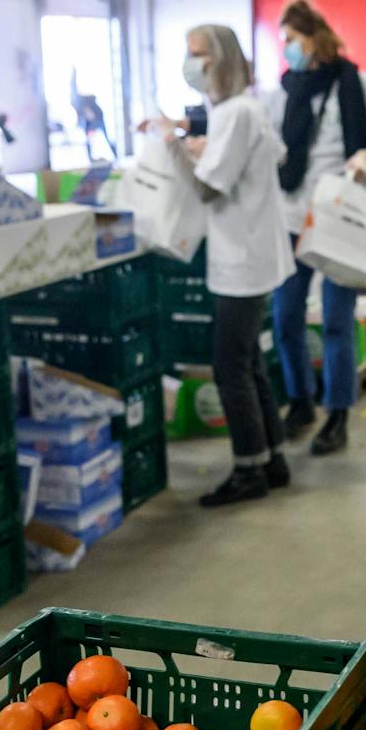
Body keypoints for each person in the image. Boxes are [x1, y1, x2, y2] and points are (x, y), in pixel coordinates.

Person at [143, 26, 295, 506]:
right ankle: (272, 459)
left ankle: (249, 469)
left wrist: (171, 143)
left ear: (220, 59)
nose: (191, 64)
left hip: (242, 258)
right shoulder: (246, 110)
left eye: (197, 55)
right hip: (257, 252)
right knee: (249, 364)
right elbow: (265, 158)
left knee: (230, 368)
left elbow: (210, 188)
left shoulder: (233, 113)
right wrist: (197, 145)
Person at [272, 0, 366, 455]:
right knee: (285, 317)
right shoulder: (285, 90)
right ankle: (301, 401)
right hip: (292, 217)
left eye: (292, 39)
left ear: (314, 36)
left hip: (339, 217)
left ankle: (338, 414)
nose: (286, 48)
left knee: (335, 321)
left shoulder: (356, 82)